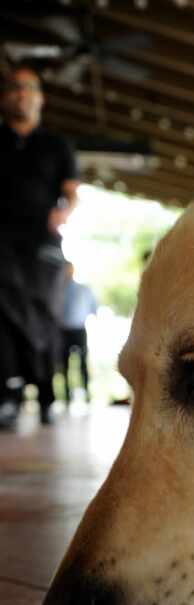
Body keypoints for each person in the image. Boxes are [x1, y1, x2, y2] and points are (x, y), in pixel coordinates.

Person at [0, 66, 79, 428]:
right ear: (5, 97)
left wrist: (62, 214)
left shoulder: (56, 145)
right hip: (2, 243)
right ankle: (10, 393)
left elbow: (71, 193)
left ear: (40, 98)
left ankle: (46, 393)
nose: (21, 94)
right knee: (4, 314)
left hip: (43, 244)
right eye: (14, 88)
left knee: (43, 312)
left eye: (28, 88)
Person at [61, 263, 97, 403]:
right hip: (62, 332)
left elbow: (93, 309)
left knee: (83, 364)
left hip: (79, 330)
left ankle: (87, 395)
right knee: (64, 365)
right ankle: (66, 397)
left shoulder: (84, 289)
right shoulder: (57, 289)